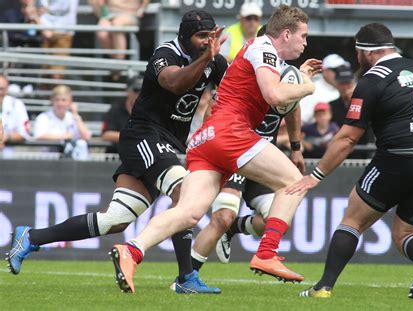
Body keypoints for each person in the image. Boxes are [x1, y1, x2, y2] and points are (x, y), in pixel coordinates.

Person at [7, 9, 228, 294]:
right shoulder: (165, 54)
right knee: (184, 195)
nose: (206, 42)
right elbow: (175, 83)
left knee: (115, 220)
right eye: (201, 36)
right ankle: (186, 277)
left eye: (211, 37)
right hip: (143, 135)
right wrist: (207, 59)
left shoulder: (214, 61)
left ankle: (31, 236)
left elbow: (233, 93)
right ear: (184, 36)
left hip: (168, 143)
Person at [109, 5, 321, 294]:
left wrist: (299, 76)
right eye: (303, 36)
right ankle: (267, 252)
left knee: (188, 212)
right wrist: (307, 86)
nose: (306, 42)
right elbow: (275, 95)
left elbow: (281, 95)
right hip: (231, 132)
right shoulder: (264, 47)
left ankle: (131, 251)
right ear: (286, 34)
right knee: (295, 183)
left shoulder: (267, 56)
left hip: (207, 137)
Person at [287, 23, 413, 300]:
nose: (357, 59)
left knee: (352, 220)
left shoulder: (371, 79)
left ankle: (323, 287)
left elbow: (348, 138)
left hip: (399, 158)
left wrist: (316, 176)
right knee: (406, 234)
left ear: (367, 52)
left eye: (357, 52)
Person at [192, 82, 306, 269]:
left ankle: (235, 228)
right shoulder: (242, 76)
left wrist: (295, 147)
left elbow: (294, 106)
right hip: (235, 154)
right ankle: (188, 277)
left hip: (263, 160)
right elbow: (212, 109)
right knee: (223, 217)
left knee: (279, 221)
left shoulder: (283, 77)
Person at [89, 0, 150, 81]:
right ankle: (118, 63)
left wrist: (141, 9)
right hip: (109, 14)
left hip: (130, 13)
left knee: (117, 24)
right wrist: (102, 12)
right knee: (101, 33)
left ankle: (118, 66)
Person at [33, 85, 91, 159]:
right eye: (57, 100)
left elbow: (86, 136)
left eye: (64, 100)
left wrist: (75, 114)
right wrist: (65, 136)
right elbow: (39, 136)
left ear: (70, 102)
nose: (60, 103)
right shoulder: (44, 117)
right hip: (49, 160)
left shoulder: (73, 117)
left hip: (73, 162)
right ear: (52, 101)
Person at [299, 54, 347, 125]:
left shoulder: (347, 88)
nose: (340, 73)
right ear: (325, 71)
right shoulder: (313, 89)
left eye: (343, 69)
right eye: (336, 70)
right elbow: (302, 120)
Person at [38, 0, 79, 80]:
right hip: (45, 29)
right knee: (45, 73)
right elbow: (40, 7)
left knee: (57, 74)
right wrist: (42, 26)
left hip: (64, 32)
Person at [101, 75, 142, 153]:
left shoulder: (149, 111)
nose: (139, 94)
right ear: (128, 91)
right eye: (136, 90)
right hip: (116, 156)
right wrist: (131, 137)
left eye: (142, 91)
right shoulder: (116, 109)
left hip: (141, 158)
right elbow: (106, 134)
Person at [0, 74, 31, 152]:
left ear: (7, 89)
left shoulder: (17, 105)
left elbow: (25, 132)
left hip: (10, 156)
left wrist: (7, 137)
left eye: (2, 89)